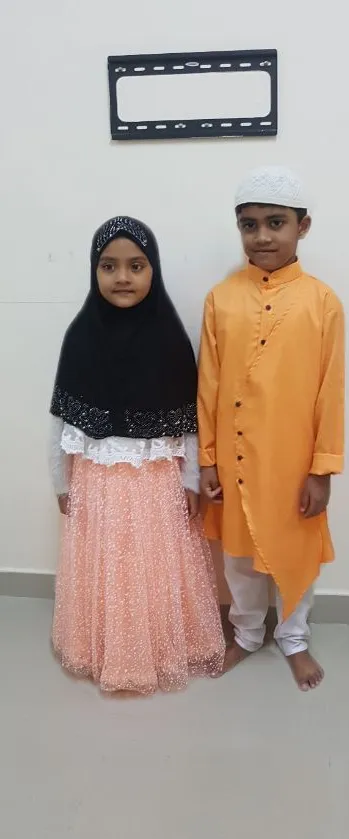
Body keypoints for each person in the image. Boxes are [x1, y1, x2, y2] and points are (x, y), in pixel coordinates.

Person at [49, 216, 225, 694]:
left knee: (153, 568)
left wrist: (191, 482)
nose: (122, 277)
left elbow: (189, 421)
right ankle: (103, 648)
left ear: (155, 270)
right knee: (107, 565)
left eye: (136, 265)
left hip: (155, 484)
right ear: (94, 271)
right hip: (97, 481)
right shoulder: (80, 335)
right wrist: (61, 483)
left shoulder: (170, 339)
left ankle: (158, 650)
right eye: (109, 266)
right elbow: (61, 418)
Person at [198, 167, 344, 691]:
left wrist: (322, 469)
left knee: (294, 548)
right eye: (249, 225)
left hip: (292, 459)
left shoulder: (322, 301)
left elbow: (331, 391)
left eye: (275, 223)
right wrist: (208, 458)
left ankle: (294, 638)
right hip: (236, 459)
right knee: (239, 554)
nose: (261, 237)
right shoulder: (221, 298)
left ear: (303, 227)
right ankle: (245, 633)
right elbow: (208, 386)